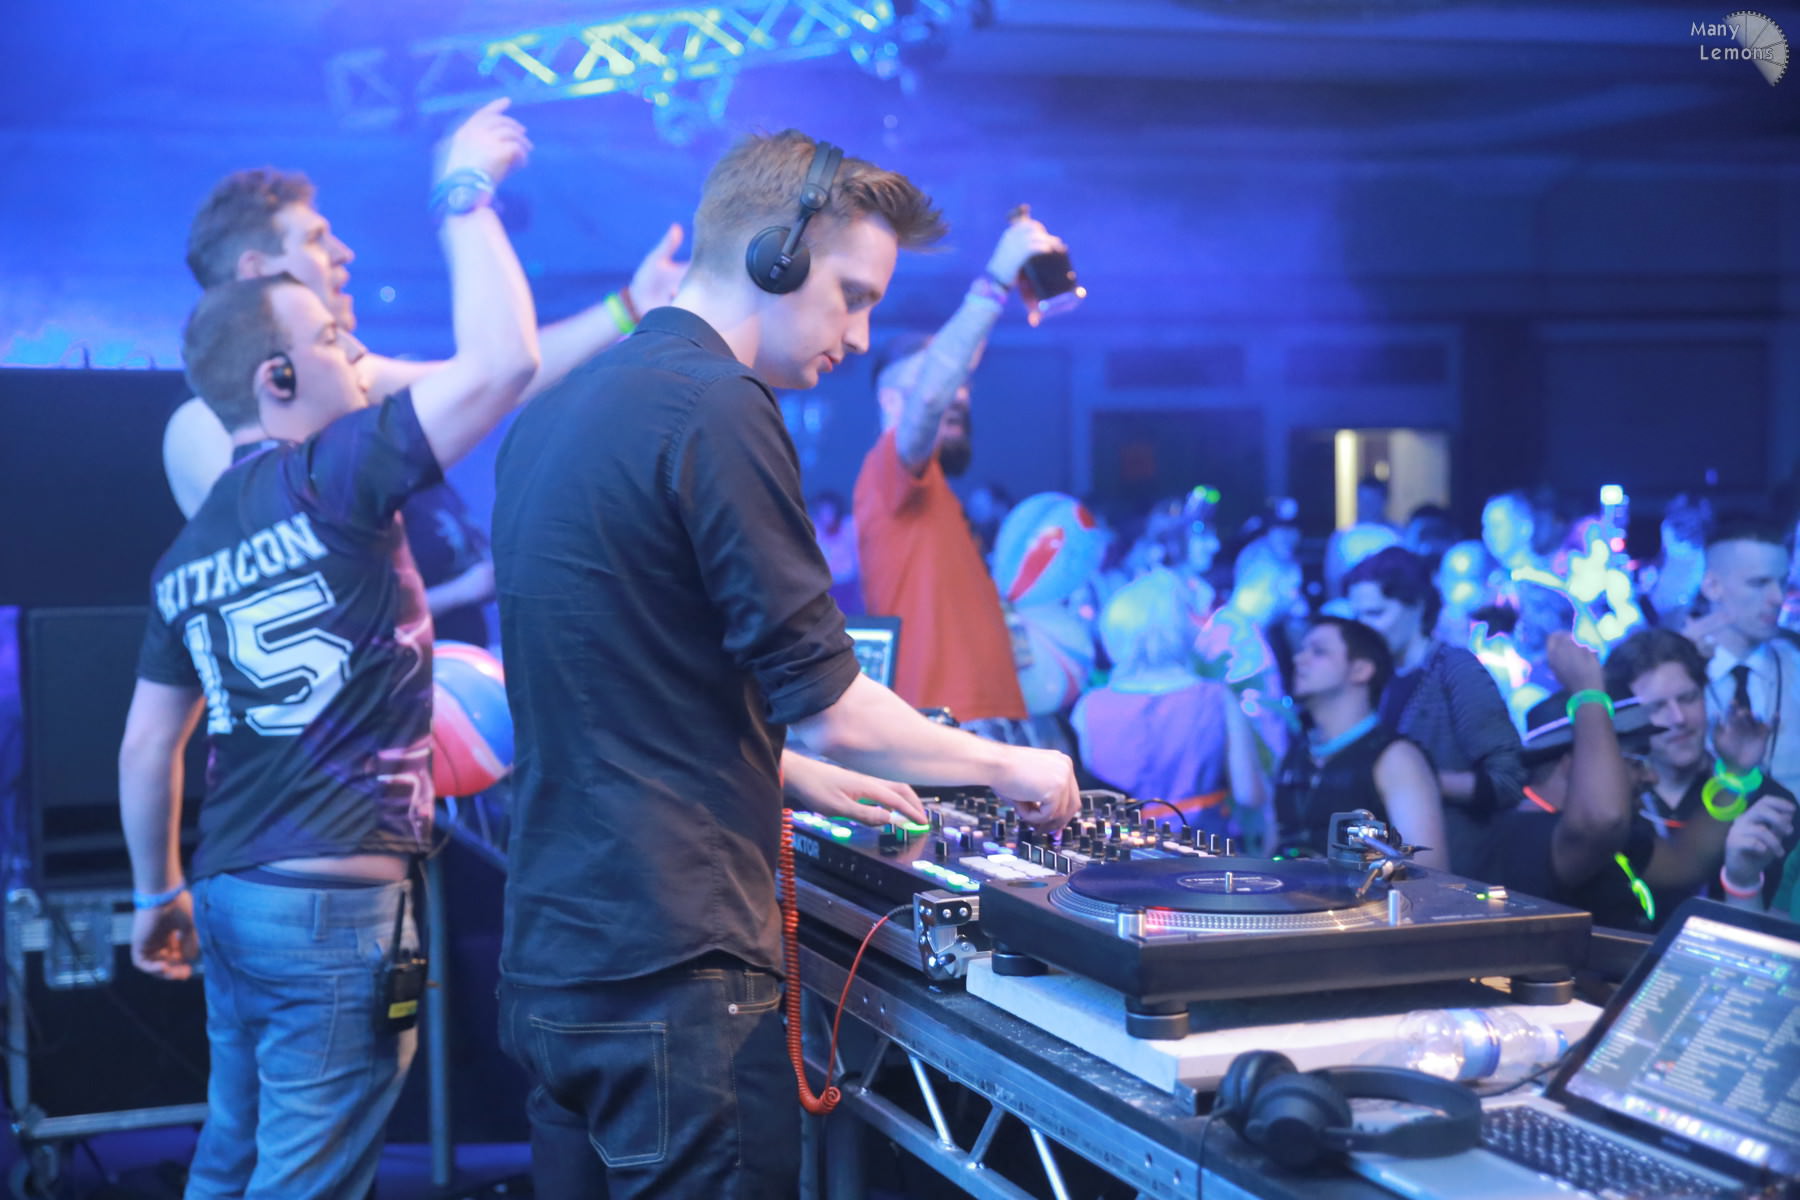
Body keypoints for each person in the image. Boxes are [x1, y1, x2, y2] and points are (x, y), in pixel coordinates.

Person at [491, 130, 1080, 1199]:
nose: (858, 336)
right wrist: (1012, 767)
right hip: (674, 971)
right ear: (776, 253)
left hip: (554, 958)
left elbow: (610, 681)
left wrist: (787, 772)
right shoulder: (720, 405)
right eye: (852, 296)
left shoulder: (558, 412)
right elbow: (834, 707)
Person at [118, 101, 539, 1199]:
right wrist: (463, 192)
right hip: (332, 912)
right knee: (303, 1179)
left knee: (232, 1156)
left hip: (234, 893)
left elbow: (148, 748)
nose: (357, 360)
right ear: (278, 380)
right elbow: (505, 363)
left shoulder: (185, 554)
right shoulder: (340, 471)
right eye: (335, 346)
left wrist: (155, 895)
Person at [163, 165, 688, 518]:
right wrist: (464, 194)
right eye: (316, 241)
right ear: (256, 271)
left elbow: (493, 377)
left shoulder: (352, 380)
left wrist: (629, 308)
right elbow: (497, 369)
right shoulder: (201, 424)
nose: (344, 253)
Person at [852, 210, 1066, 729]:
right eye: (944, 382)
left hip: (987, 724)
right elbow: (931, 396)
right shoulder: (885, 471)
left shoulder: (932, 490)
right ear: (890, 399)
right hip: (949, 729)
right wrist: (995, 280)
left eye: (964, 386)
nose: (959, 395)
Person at [1345, 547, 1524, 875]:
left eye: (1376, 613)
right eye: (1358, 617)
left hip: (1458, 870)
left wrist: (1412, 782)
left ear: (1417, 605)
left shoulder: (1454, 669)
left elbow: (1507, 779)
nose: (1364, 629)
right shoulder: (1375, 678)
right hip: (1390, 873)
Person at [1606, 627, 1798, 917]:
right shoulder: (1618, 806)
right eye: (1657, 707)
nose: (1678, 718)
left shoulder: (1764, 797)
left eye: (1688, 698)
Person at [1070, 569, 1268, 839]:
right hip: (1201, 847)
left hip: (1117, 852)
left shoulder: (1089, 706)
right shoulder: (1216, 698)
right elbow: (1250, 794)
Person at [1272, 616, 1449, 869]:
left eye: (1319, 651)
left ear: (1361, 670)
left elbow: (1429, 868)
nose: (1299, 659)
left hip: (1362, 896)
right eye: (1302, 650)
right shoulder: (1297, 756)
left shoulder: (1396, 758)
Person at [1687, 516, 1800, 792]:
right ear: (1713, 587)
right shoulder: (1677, 673)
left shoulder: (1795, 662)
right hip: (1704, 818)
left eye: (1782, 582)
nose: (1778, 598)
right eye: (1759, 583)